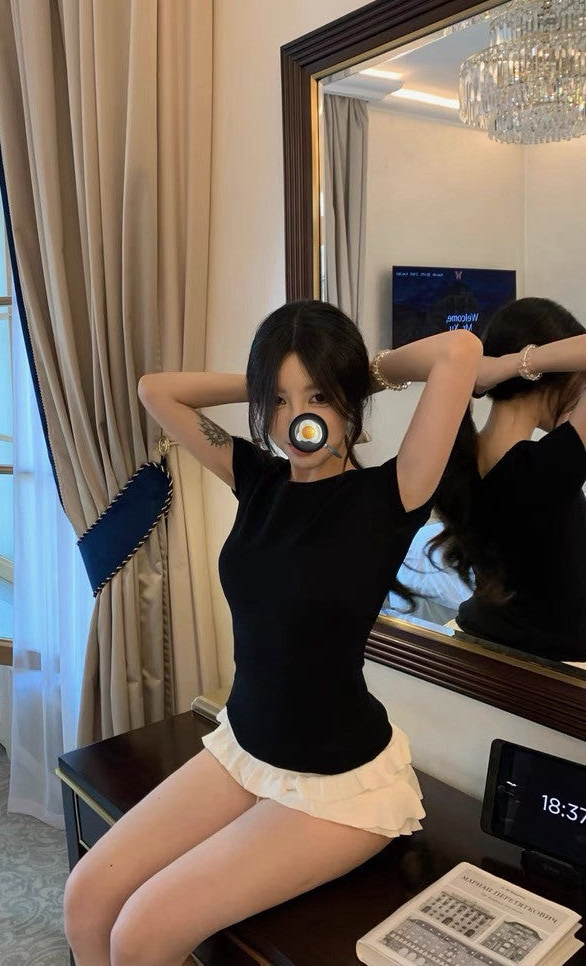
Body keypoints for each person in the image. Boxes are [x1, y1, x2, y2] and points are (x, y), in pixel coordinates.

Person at [62, 299, 481, 966]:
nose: (296, 418)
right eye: (278, 402)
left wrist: (359, 372)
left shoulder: (390, 494)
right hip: (244, 747)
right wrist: (265, 383)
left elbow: (459, 353)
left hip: (340, 784)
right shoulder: (256, 478)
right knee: (86, 897)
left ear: (348, 399)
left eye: (318, 397)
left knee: (140, 932)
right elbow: (155, 390)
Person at [431, 297, 586, 666]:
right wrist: (517, 364)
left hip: (483, 633)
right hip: (556, 663)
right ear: (553, 377)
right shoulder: (542, 468)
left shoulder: (461, 458)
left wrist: (497, 367)